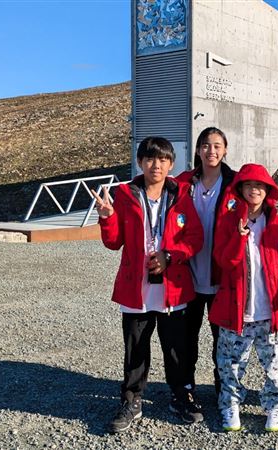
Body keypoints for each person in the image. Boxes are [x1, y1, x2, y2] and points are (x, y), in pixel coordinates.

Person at [91, 137, 205, 433]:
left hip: (173, 288)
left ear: (171, 164)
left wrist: (171, 256)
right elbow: (114, 242)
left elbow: (194, 239)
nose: (157, 165)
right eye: (150, 159)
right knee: (135, 348)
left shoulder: (182, 195)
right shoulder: (125, 194)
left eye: (163, 160)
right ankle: (131, 400)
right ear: (140, 162)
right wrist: (108, 218)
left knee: (176, 349)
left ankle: (180, 396)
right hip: (136, 289)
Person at [209, 163, 278, 433]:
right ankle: (230, 406)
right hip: (235, 310)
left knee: (275, 366)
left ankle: (276, 407)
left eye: (260, 185)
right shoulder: (228, 221)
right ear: (240, 189)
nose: (254, 190)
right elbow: (223, 261)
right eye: (248, 185)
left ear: (268, 190)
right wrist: (238, 238)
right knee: (230, 365)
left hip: (270, 310)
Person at [175, 127, 238, 401]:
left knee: (223, 338)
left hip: (221, 274)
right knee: (186, 336)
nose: (210, 151)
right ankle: (185, 386)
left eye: (216, 145)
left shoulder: (236, 183)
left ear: (225, 149)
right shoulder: (183, 183)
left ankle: (223, 387)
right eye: (205, 145)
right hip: (187, 273)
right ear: (198, 150)